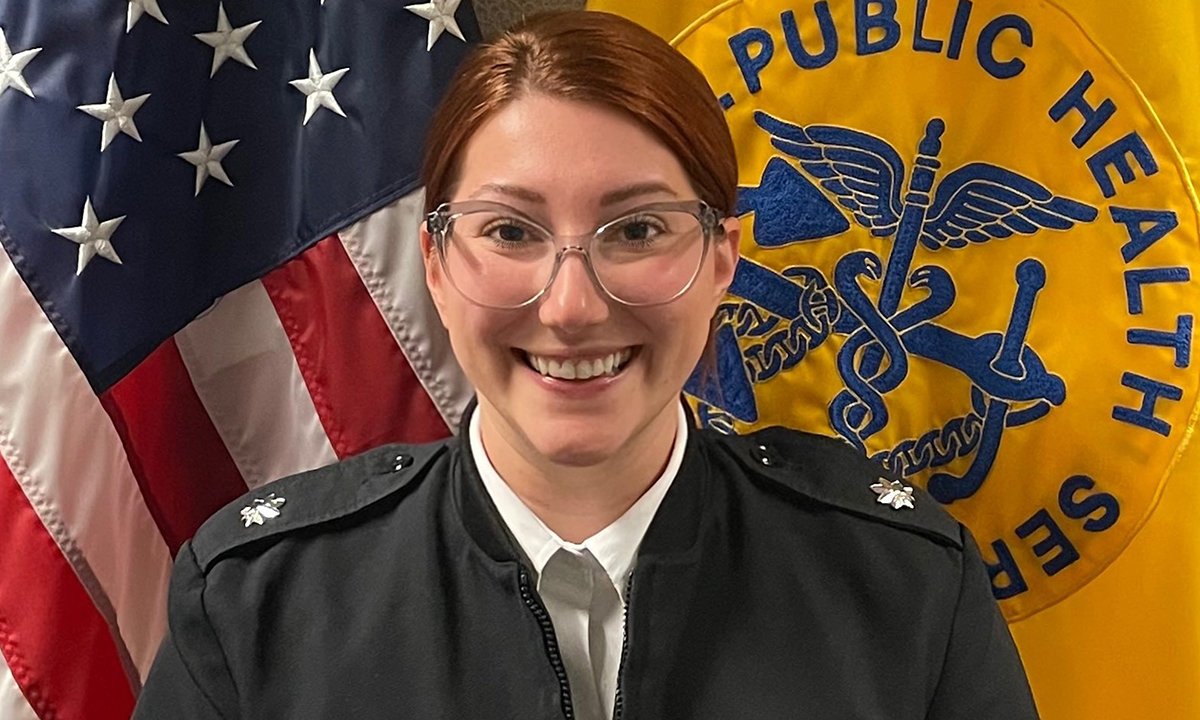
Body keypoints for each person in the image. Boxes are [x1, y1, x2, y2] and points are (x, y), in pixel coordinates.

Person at [134, 10, 1039, 719]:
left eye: (637, 229)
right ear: (437, 266)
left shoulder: (906, 590)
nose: (571, 307)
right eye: (510, 231)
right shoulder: (256, 604)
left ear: (721, 260)